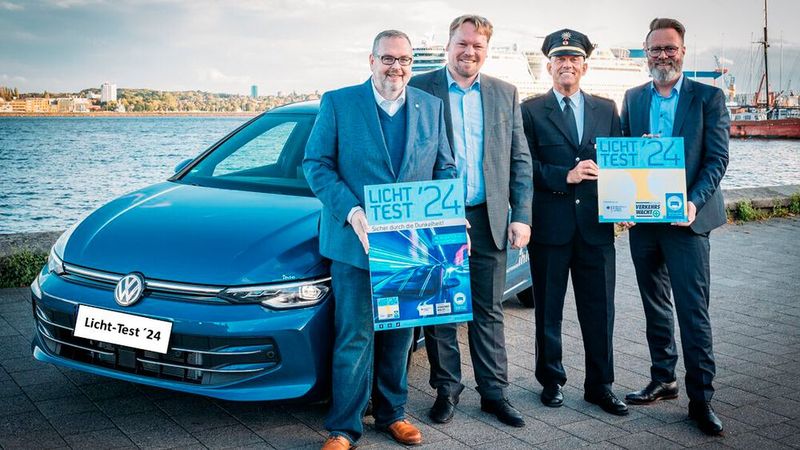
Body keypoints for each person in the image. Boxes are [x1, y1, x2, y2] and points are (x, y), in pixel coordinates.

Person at [303, 29, 456, 449]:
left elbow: (444, 169)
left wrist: (447, 223)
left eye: (404, 60)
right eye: (388, 59)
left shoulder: (431, 107)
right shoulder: (339, 103)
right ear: (370, 61)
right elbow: (315, 165)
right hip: (355, 245)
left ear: (412, 63)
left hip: (411, 246)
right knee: (354, 337)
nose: (397, 67)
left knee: (399, 335)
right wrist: (352, 212)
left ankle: (392, 415)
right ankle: (342, 428)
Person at [408, 14, 533, 428]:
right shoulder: (420, 87)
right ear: (448, 46)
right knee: (440, 308)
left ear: (486, 49)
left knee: (488, 310)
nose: (469, 52)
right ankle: (447, 389)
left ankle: (494, 392)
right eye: (462, 44)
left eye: (477, 46)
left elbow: (519, 159)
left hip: (488, 216)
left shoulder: (504, 92)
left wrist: (522, 216)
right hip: (437, 217)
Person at [620, 18, 729, 436]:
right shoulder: (632, 98)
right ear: (645, 53)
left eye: (670, 48)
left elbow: (716, 160)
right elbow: (624, 158)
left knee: (692, 310)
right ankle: (663, 377)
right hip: (645, 221)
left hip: (687, 220)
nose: (662, 56)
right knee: (654, 303)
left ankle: (701, 398)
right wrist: (624, 202)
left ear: (683, 50)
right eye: (655, 49)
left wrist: (692, 201)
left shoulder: (708, 98)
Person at [519, 29, 628, 416]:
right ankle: (550, 380)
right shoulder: (530, 110)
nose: (568, 64)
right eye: (560, 59)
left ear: (585, 64)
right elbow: (523, 165)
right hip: (550, 227)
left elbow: (619, 164)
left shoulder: (606, 108)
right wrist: (562, 174)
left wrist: (628, 203)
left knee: (600, 311)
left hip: (596, 228)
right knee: (548, 310)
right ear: (549, 65)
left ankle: (601, 385)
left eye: (574, 59)